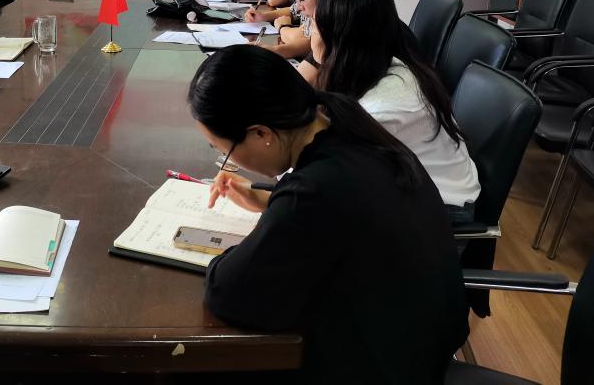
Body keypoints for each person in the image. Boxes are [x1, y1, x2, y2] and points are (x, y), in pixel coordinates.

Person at [188, 45, 468, 383]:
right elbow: (337, 208)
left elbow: (229, 293)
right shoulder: (345, 122)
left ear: (261, 134)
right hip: (420, 337)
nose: (229, 161)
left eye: (224, 150)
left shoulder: (313, 191)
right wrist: (271, 200)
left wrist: (245, 245)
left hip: (387, 366)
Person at [300, 0, 480, 219]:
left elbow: (327, 174)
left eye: (313, 25)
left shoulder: (381, 112)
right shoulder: (379, 64)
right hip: (419, 185)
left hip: (443, 209)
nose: (310, 34)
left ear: (337, 40)